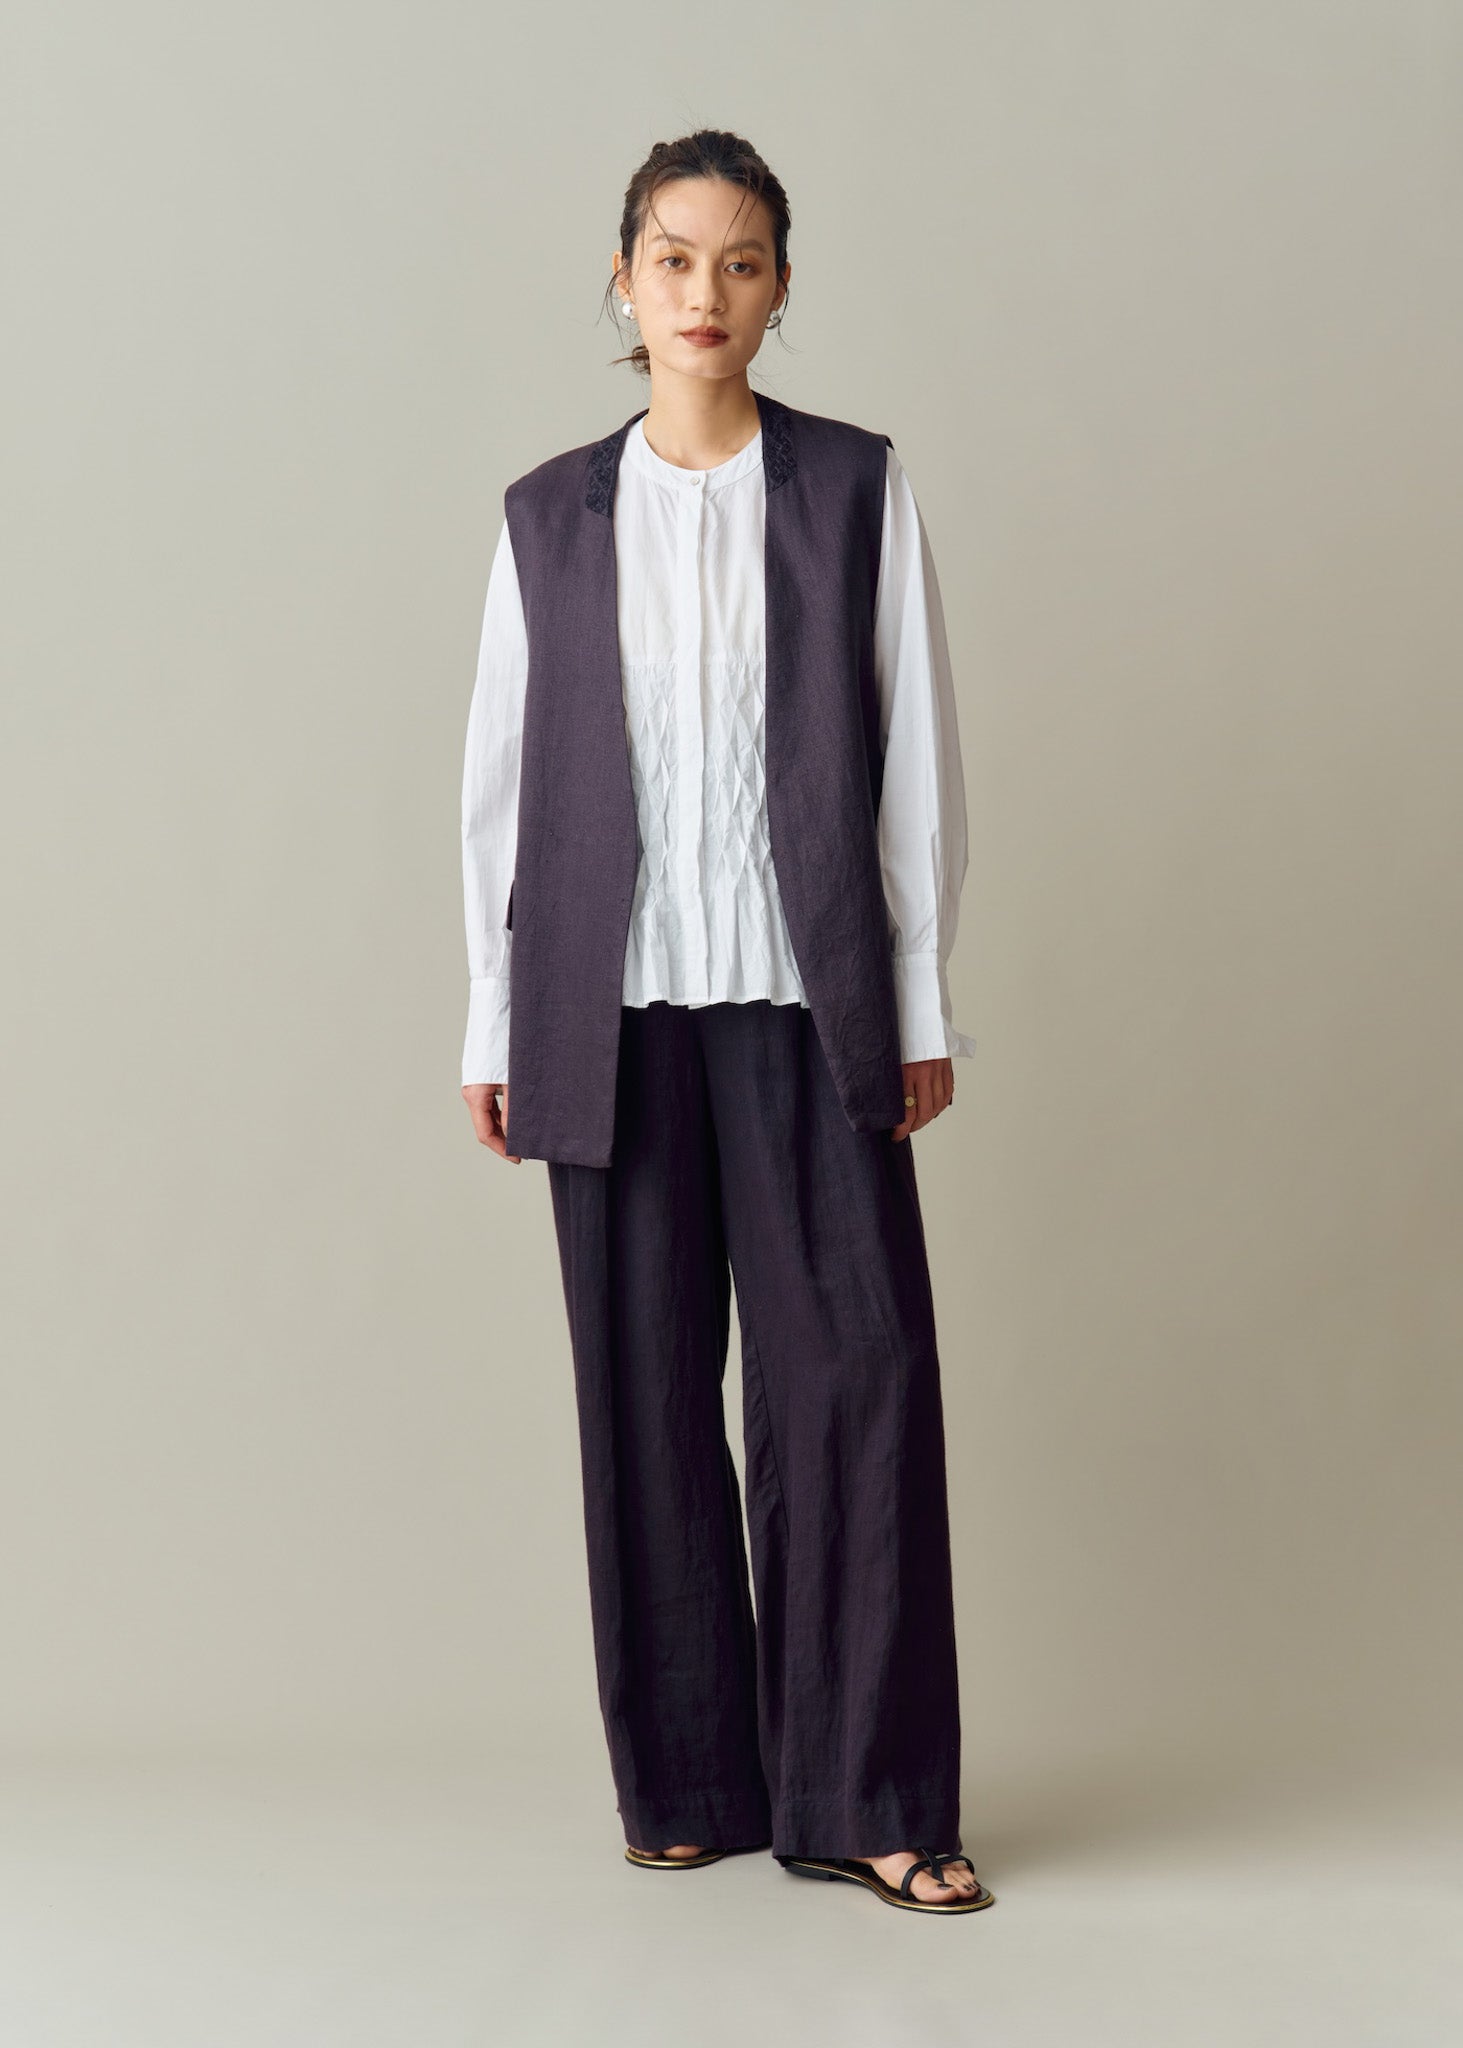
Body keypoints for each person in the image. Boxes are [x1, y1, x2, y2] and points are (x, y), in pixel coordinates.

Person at [460, 129, 993, 1916]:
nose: (706, 292)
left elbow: (914, 756)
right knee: (642, 1391)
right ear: (624, 284)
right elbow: (501, 787)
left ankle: (874, 1796)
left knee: (859, 1383)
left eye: (741, 261)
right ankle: (688, 1777)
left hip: (807, 992)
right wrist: (493, 1022)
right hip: (604, 1008)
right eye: (674, 260)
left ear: (778, 289)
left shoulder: (852, 488)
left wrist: (917, 993)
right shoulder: (548, 516)